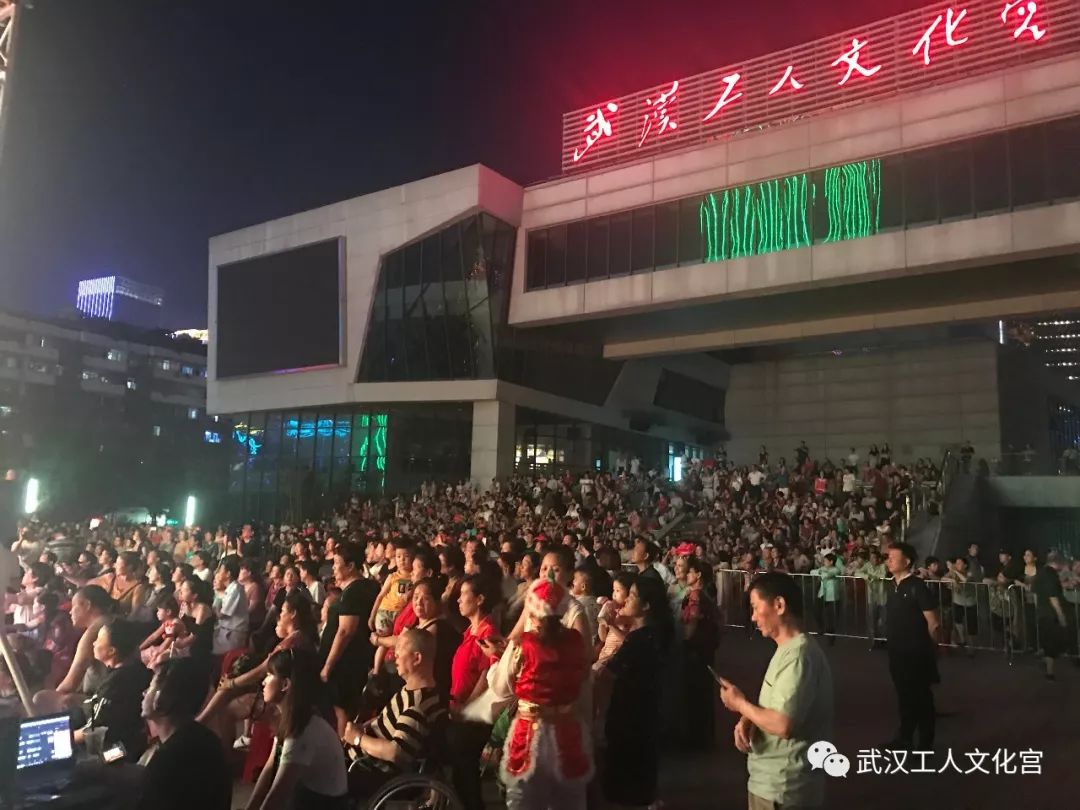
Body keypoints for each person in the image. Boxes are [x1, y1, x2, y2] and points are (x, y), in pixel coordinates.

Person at [719, 572, 834, 810]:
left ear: (779, 605)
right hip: (776, 783)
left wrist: (740, 704)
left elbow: (783, 724)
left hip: (782, 788)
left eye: (755, 607)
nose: (753, 617)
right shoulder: (788, 650)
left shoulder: (798, 656)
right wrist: (750, 717)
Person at [490, 578, 592, 810]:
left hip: (530, 732)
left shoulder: (522, 644)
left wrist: (496, 661)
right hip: (568, 729)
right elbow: (584, 676)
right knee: (568, 799)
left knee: (524, 798)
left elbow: (500, 686)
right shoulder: (576, 641)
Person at [198, 589, 318, 748]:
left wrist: (233, 683)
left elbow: (263, 669)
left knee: (228, 708)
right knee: (227, 688)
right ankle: (201, 723)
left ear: (293, 614)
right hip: (280, 689)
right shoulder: (298, 637)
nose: (279, 615)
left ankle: (221, 747)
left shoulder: (291, 642)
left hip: (283, 697)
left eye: (283, 611)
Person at [342, 628, 448, 798]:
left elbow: (395, 752)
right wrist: (364, 727)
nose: (394, 655)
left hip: (372, 772)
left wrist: (358, 738)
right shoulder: (411, 690)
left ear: (417, 658)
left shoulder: (418, 705)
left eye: (400, 649)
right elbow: (390, 721)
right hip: (360, 761)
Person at [601, 576, 671, 809]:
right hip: (643, 715)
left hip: (630, 715)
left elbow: (609, 673)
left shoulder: (642, 639)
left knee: (628, 782)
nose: (626, 600)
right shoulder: (648, 634)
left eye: (632, 595)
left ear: (646, 605)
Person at [249, 648, 348, 810]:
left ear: (285, 684)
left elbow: (278, 794)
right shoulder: (292, 717)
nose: (263, 682)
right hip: (308, 796)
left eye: (269, 675)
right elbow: (270, 767)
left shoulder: (302, 728)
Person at [138, 657, 232, 810]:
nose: (143, 693)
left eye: (149, 687)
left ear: (161, 696)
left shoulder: (167, 760)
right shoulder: (206, 739)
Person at [885, 542, 940, 750]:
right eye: (888, 557)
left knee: (921, 698)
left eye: (893, 557)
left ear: (907, 561)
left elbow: (933, 622)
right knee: (904, 696)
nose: (889, 561)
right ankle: (905, 737)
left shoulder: (917, 586)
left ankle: (925, 744)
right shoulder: (892, 585)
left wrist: (932, 649)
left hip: (916, 652)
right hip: (896, 652)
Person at [320, 542, 379, 735]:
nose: (333, 568)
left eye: (337, 563)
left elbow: (346, 631)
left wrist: (327, 666)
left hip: (346, 663)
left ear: (351, 566)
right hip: (352, 660)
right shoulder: (366, 586)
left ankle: (341, 747)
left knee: (342, 710)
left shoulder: (354, 592)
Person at [76, 618, 153, 761]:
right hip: (132, 741)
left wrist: (64, 740)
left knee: (85, 764)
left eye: (98, 640)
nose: (93, 643)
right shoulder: (138, 668)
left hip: (122, 750)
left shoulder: (114, 684)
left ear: (111, 651)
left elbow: (93, 730)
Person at [681, 556, 719, 750]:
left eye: (689, 571)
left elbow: (692, 623)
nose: (686, 574)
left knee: (695, 694)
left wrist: (684, 639)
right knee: (703, 693)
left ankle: (695, 739)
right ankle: (703, 738)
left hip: (695, 649)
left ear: (698, 575)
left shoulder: (695, 596)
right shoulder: (705, 594)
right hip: (705, 649)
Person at [1031, 550, 1069, 679]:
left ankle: (1045, 661)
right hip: (1050, 613)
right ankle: (1050, 672)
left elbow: (1035, 593)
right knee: (1051, 641)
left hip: (1041, 611)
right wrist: (1061, 615)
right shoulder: (1051, 575)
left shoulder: (1040, 572)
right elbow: (1053, 597)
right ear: (1057, 563)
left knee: (1046, 639)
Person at [212, 557, 249, 656]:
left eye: (220, 570)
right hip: (225, 631)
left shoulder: (235, 589)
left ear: (228, 574)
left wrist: (217, 599)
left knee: (226, 658)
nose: (217, 572)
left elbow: (222, 615)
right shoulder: (229, 588)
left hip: (232, 633)